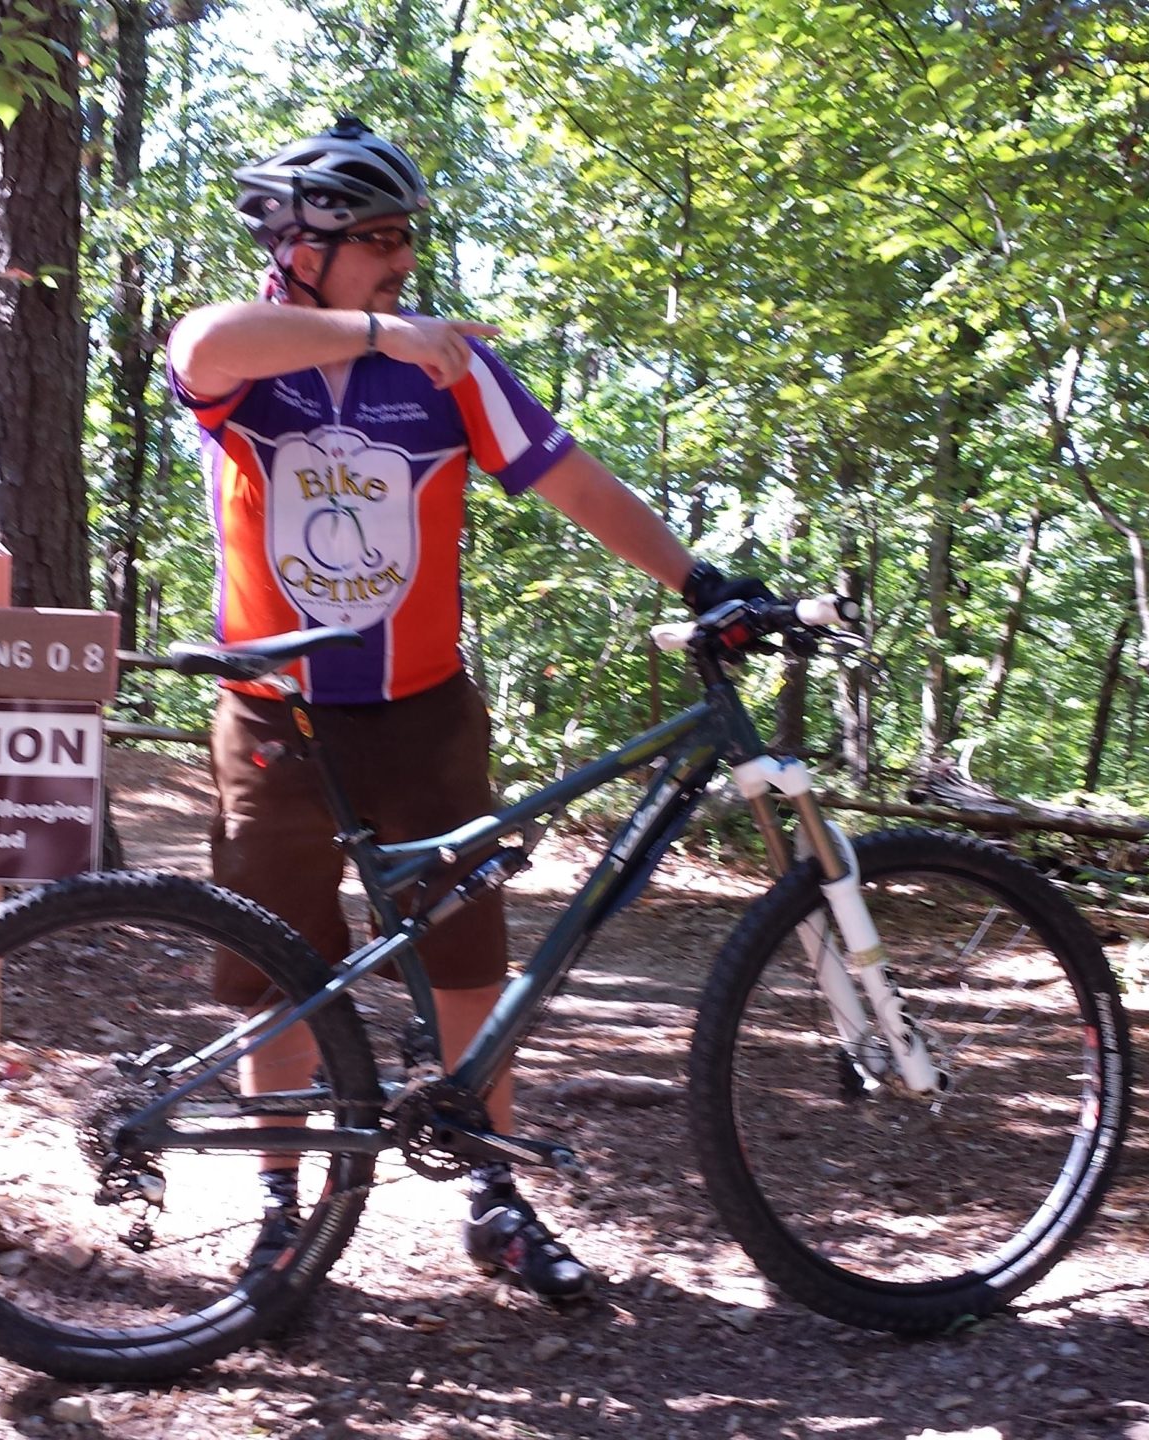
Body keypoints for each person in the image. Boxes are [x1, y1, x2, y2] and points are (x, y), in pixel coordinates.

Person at [163, 116, 768, 1303]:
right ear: (300, 246)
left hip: (423, 712)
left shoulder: (448, 367)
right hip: (277, 716)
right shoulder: (257, 356)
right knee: (276, 970)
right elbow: (200, 340)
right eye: (378, 237)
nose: (403, 257)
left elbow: (570, 480)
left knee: (462, 962)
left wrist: (696, 580)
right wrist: (382, 331)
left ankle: (494, 1199)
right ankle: (281, 1216)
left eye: (407, 237)